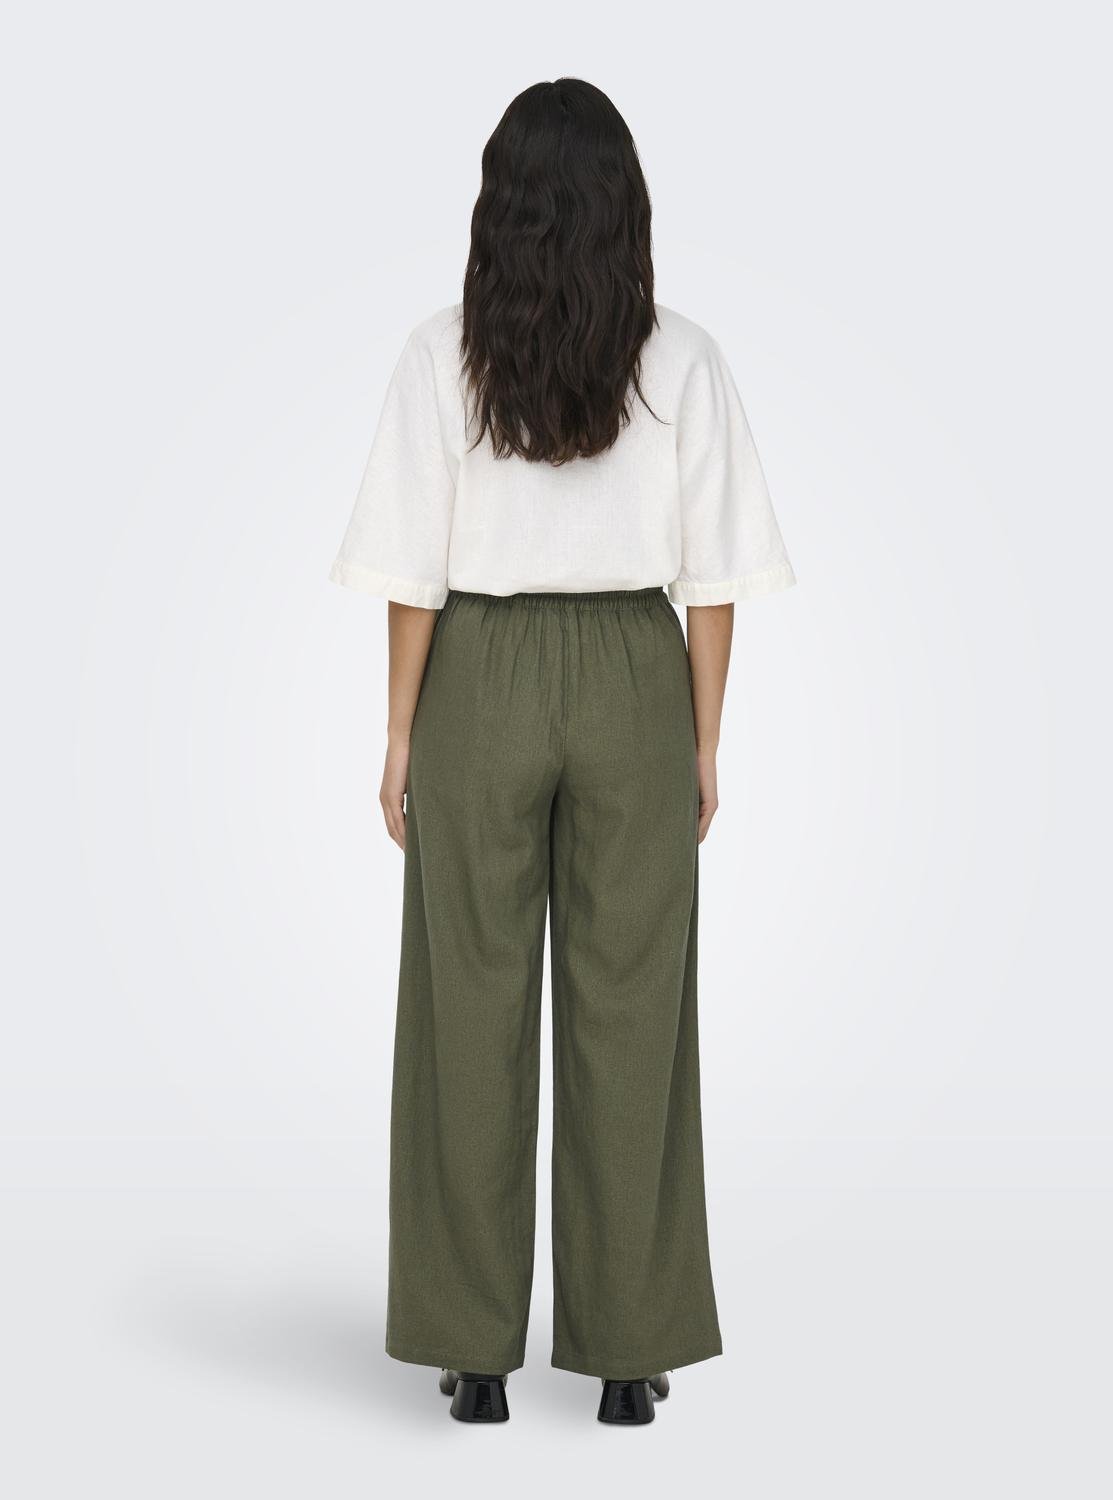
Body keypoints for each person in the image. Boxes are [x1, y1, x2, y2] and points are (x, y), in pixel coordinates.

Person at [330, 77, 795, 1426]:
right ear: (624, 208)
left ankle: (471, 1354)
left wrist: (401, 732)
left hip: (479, 672)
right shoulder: (683, 358)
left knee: (464, 1001)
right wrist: (701, 739)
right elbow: (716, 580)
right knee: (633, 1007)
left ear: (500, 209)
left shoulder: (441, 354)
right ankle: (629, 1358)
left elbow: (410, 571)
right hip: (635, 675)